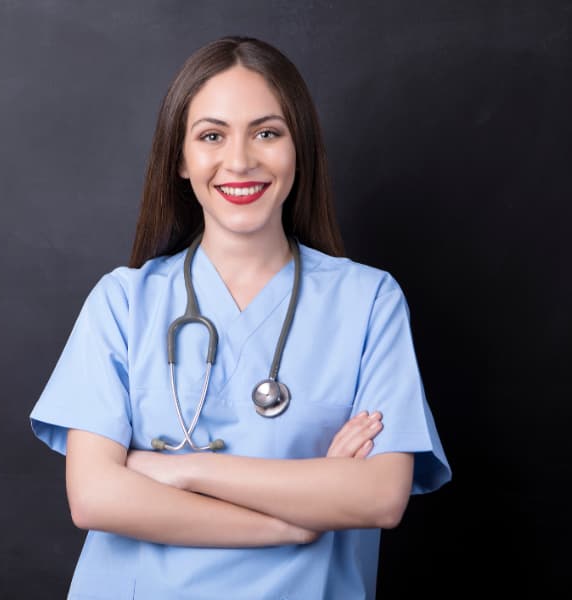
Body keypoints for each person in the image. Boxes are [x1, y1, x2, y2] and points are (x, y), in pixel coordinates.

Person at [29, 35, 451, 599]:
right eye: (211, 136)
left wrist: (177, 470)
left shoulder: (367, 301)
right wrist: (295, 519)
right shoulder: (123, 302)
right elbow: (95, 498)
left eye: (267, 132)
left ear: (299, 147)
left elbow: (378, 497)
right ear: (179, 158)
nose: (241, 160)